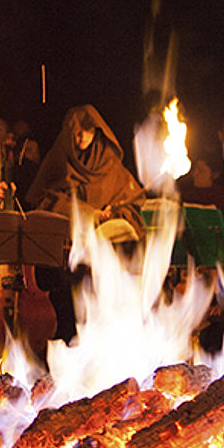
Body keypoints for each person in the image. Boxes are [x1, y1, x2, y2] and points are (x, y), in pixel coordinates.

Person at [26, 104, 145, 342]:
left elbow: (132, 204)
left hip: (105, 261)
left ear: (97, 133)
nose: (81, 138)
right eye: (76, 133)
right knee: (67, 316)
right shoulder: (59, 161)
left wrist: (114, 213)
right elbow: (45, 201)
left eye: (87, 132)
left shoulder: (112, 166)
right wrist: (87, 214)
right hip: (65, 261)